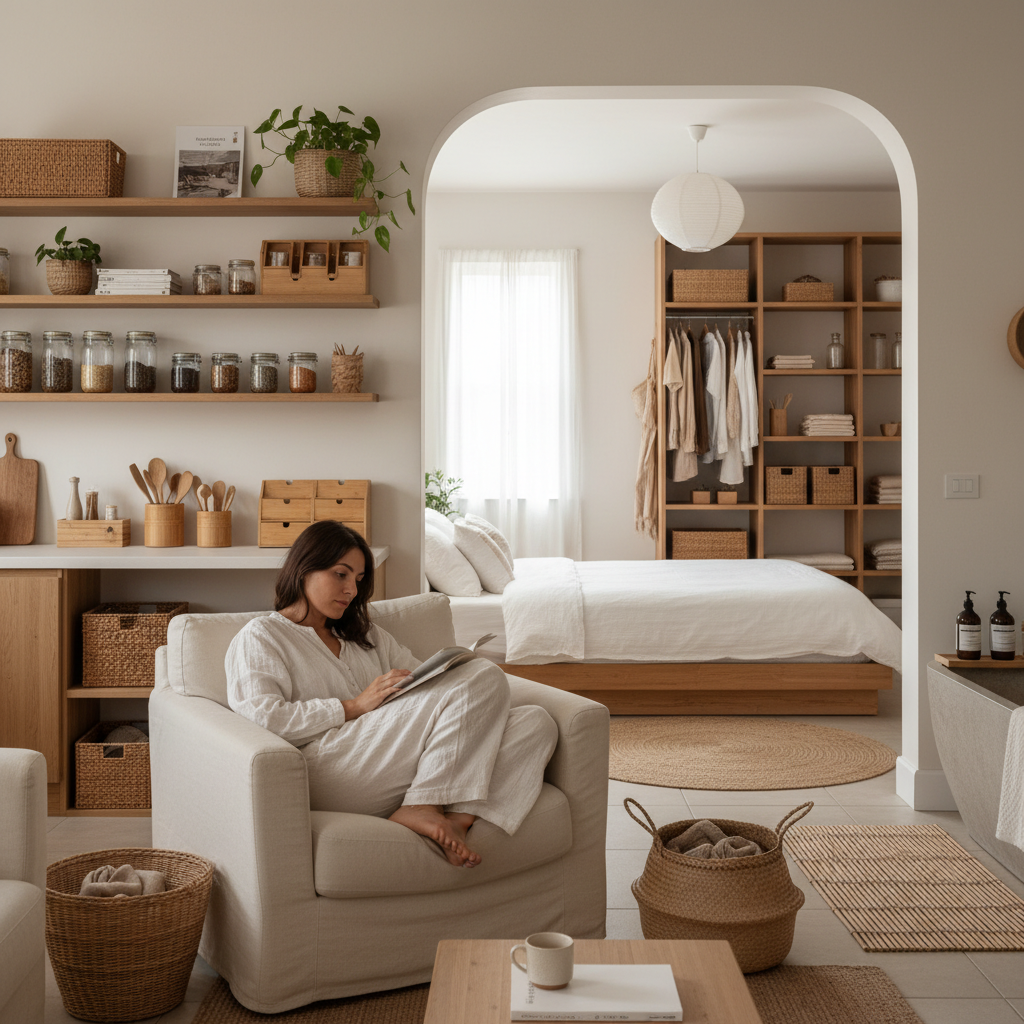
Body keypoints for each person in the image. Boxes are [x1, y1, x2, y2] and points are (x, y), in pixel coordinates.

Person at [226, 520, 557, 867]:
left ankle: (457, 818)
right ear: (304, 568)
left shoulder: (365, 635)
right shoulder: (261, 636)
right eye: (341, 574)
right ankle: (422, 805)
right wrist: (353, 706)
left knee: (536, 723)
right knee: (485, 675)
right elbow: (263, 718)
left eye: (357, 579)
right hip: (327, 769)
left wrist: (451, 671)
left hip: (393, 758)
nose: (351, 589)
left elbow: (425, 685)